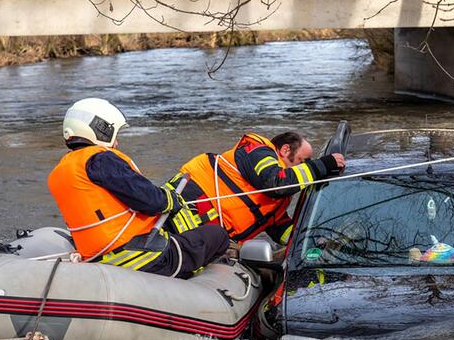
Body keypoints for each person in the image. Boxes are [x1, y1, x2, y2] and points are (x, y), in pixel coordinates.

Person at [47, 98, 229, 279]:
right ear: (101, 130)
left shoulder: (61, 172)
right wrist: (170, 199)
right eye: (115, 135)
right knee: (218, 235)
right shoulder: (100, 160)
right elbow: (152, 201)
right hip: (145, 258)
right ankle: (192, 283)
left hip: (99, 259)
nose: (116, 143)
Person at [168, 132, 346, 246]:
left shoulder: (277, 201)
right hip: (177, 216)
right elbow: (274, 183)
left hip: (201, 236)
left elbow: (281, 230)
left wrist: (317, 240)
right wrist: (320, 166)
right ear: (285, 150)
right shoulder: (258, 151)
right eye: (303, 161)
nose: (305, 166)